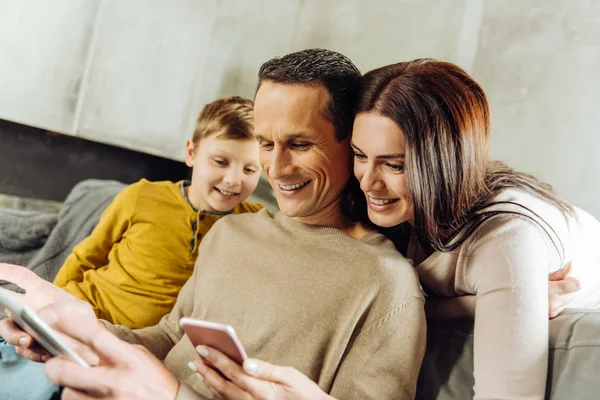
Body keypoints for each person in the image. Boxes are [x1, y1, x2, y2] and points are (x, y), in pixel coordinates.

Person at [0, 49, 427, 400]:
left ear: (349, 144)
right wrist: (78, 333)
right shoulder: (232, 233)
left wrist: (166, 393)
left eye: (299, 144)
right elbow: (167, 338)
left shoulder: (386, 284)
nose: (275, 168)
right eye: (265, 143)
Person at [348, 59, 600, 399]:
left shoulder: (506, 241)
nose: (368, 182)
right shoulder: (376, 209)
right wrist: (478, 304)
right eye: (359, 155)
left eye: (394, 165)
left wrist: (510, 297)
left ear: (443, 162)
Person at [0, 95, 263, 399]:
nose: (233, 180)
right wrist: (54, 307)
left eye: (249, 169)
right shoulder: (141, 197)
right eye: (221, 162)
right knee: (27, 368)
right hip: (86, 316)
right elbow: (85, 257)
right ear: (191, 152)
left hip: (137, 349)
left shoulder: (254, 224)